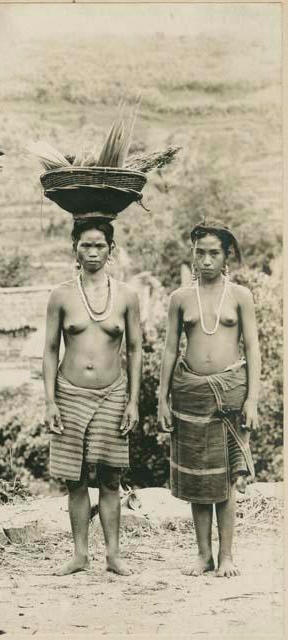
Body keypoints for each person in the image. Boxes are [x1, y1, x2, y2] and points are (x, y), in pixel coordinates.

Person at [158, 219, 260, 578]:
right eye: (199, 252)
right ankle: (203, 555)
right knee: (199, 479)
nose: (205, 260)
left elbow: (253, 349)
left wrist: (252, 400)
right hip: (191, 396)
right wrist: (162, 399)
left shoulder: (240, 296)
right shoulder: (180, 298)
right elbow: (170, 351)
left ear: (226, 255)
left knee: (227, 479)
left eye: (213, 253)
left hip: (230, 394)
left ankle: (227, 556)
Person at [43, 218, 142, 576]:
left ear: (111, 250)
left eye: (100, 245)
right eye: (86, 245)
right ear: (75, 249)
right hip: (69, 392)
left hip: (112, 393)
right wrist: (50, 400)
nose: (93, 251)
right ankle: (80, 554)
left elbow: (135, 349)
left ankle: (114, 555)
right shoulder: (61, 295)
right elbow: (50, 348)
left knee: (111, 478)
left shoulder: (127, 295)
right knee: (75, 478)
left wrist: (133, 401)